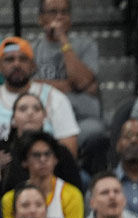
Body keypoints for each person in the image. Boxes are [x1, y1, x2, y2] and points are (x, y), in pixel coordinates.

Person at [29, 0, 102, 149]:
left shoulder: (86, 46)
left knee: (95, 131)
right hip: (44, 119)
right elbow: (29, 87)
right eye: (53, 12)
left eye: (64, 12)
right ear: (40, 18)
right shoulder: (31, 50)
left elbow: (80, 81)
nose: (59, 17)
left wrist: (63, 40)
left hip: (81, 118)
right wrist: (69, 86)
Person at [0, 37, 79, 155]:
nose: (16, 64)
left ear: (33, 66)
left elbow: (69, 151)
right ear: (0, 67)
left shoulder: (55, 97)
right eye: (9, 59)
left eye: (23, 59)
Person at [0, 132, 82, 218]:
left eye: (47, 154)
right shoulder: (10, 200)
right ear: (25, 161)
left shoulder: (72, 195)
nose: (43, 159)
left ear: (55, 159)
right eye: (36, 155)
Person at [0, 92, 80, 195]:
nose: (30, 113)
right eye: (23, 109)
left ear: (44, 118)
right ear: (13, 119)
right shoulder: (2, 150)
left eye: (36, 109)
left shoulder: (58, 150)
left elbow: (76, 190)